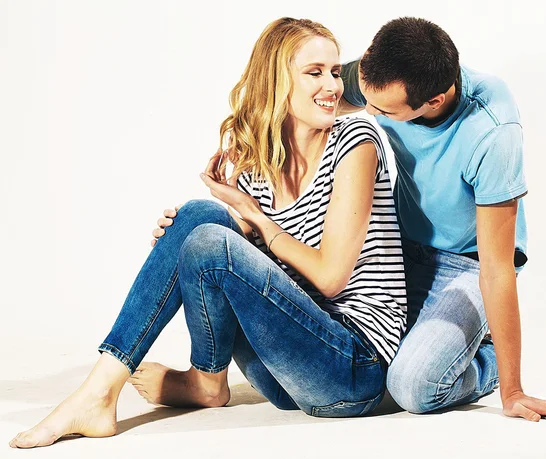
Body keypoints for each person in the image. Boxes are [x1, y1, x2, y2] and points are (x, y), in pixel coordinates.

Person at [9, 17, 407, 449]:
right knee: (199, 216)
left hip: (352, 370)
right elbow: (256, 265)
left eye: (334, 71)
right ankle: (167, 385)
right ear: (276, 81)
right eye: (315, 72)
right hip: (284, 377)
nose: (333, 85)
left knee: (208, 236)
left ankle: (121, 392)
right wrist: (192, 230)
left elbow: (330, 278)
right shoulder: (258, 164)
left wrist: (248, 216)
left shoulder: (356, 140)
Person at [333, 17, 546, 422]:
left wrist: (514, 390)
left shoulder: (492, 132)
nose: (368, 111)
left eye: (382, 110)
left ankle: (482, 354)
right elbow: (319, 94)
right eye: (366, 97)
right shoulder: (384, 77)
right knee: (354, 360)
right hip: (399, 244)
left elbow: (496, 268)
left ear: (433, 101)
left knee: (412, 387)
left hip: (469, 262)